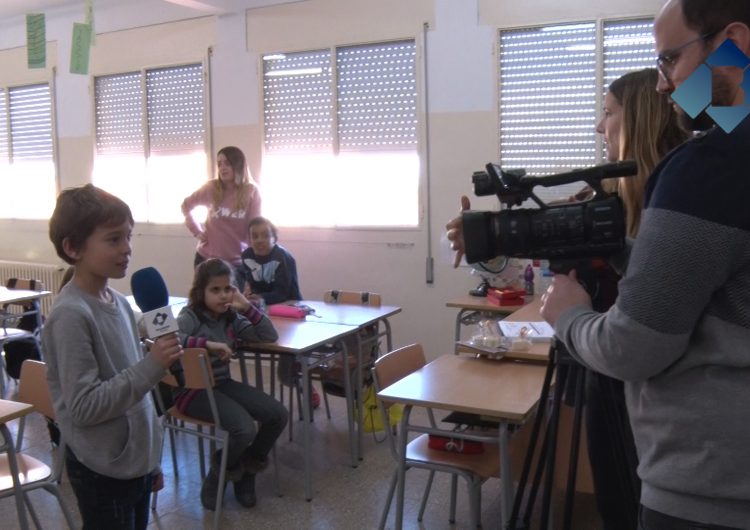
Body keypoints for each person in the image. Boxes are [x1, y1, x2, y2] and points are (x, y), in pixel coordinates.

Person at [445, 68, 689, 530]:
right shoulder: (593, 199)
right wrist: (487, 246)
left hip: (656, 395)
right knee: (616, 504)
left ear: (640, 118)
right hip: (597, 373)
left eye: (608, 114)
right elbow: (524, 263)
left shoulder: (676, 208)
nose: (600, 128)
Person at [541, 1, 750, 528]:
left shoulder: (712, 167)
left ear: (734, 44)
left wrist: (567, 315)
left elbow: (633, 346)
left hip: (711, 487)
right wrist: (625, 253)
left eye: (669, 61)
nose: (663, 85)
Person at [43, 184, 183, 529]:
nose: (127, 249)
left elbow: (138, 391)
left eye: (129, 237)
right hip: (102, 469)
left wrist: (151, 459)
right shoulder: (71, 315)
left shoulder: (119, 302)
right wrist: (152, 366)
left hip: (134, 461)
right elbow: (85, 407)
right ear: (73, 247)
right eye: (113, 239)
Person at [176, 258, 287, 511]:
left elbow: (268, 335)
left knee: (278, 415)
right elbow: (172, 338)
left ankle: (247, 471)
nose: (223, 295)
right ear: (200, 291)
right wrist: (208, 345)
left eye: (228, 289)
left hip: (221, 384)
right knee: (244, 429)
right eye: (215, 290)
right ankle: (217, 477)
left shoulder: (232, 317)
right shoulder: (190, 315)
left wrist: (246, 307)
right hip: (192, 391)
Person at [182, 146, 261, 290]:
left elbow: (254, 229)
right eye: (219, 164)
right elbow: (186, 206)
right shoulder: (211, 188)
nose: (222, 168)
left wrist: (254, 260)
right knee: (204, 306)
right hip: (207, 259)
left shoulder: (252, 192)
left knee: (232, 306)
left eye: (227, 163)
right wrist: (197, 231)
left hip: (236, 263)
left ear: (238, 164)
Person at [241, 216, 303, 305]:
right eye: (255, 236)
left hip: (289, 304)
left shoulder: (282, 257)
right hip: (262, 304)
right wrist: (249, 295)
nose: (259, 240)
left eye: (265, 236)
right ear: (249, 239)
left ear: (274, 238)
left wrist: (260, 297)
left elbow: (282, 294)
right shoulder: (247, 256)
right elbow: (252, 286)